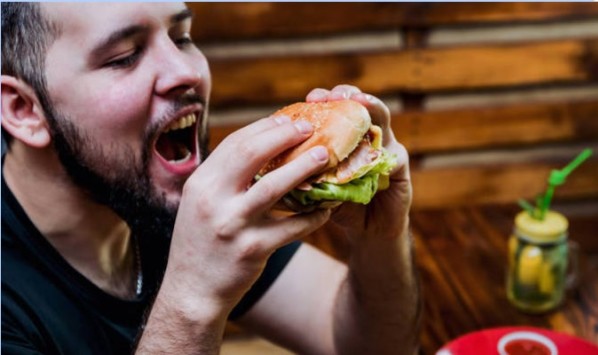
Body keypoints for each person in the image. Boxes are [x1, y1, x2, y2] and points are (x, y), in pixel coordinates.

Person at [1, 3, 421, 354]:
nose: (186, 71)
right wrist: (192, 300)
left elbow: (361, 344)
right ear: (23, 109)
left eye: (181, 38)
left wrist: (381, 240)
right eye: (124, 56)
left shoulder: (161, 188)